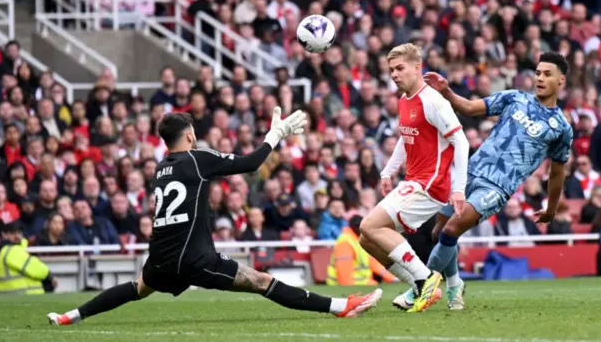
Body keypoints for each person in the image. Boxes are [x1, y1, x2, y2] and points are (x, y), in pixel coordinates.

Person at [47, 109, 382, 326]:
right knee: (260, 281)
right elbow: (250, 164)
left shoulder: (160, 169)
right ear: (190, 135)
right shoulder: (197, 158)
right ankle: (340, 305)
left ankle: (71, 316)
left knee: (138, 288)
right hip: (193, 258)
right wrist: (276, 135)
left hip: (163, 257)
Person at [420, 51, 573, 311]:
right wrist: (447, 92)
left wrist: (551, 208)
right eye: (537, 72)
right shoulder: (515, 98)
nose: (540, 78)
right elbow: (469, 107)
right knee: (438, 233)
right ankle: (455, 284)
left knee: (451, 229)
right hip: (469, 172)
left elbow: (556, 173)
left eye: (547, 74)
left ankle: (419, 288)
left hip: (497, 187)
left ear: (561, 80)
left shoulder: (561, 128)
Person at [357, 43, 469, 312]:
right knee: (367, 239)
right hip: (413, 180)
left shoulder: (433, 101)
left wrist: (459, 188)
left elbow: (461, 142)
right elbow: (405, 137)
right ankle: (421, 285)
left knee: (369, 226)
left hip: (430, 184)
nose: (394, 75)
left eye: (400, 68)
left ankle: (425, 280)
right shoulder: (405, 100)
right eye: (391, 70)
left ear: (417, 67)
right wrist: (388, 171)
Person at [327, 215, 397, 286]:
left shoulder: (359, 240)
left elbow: (373, 263)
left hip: (361, 283)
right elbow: (344, 273)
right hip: (344, 287)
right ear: (352, 227)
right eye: (358, 226)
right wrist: (348, 291)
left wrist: (392, 278)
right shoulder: (345, 242)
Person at [0, 222, 58, 294]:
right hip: (21, 297)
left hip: (14, 297)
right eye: (13, 233)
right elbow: (34, 267)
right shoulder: (11, 250)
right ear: (5, 235)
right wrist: (49, 276)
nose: (17, 236)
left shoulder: (6, 250)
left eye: (19, 233)